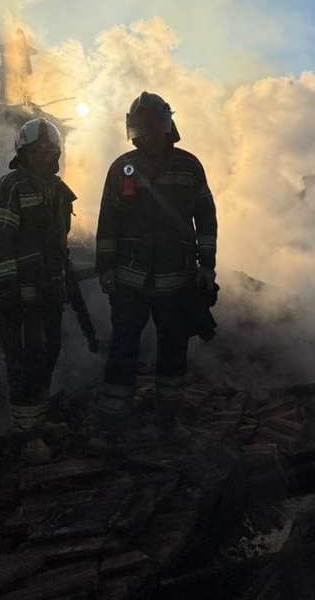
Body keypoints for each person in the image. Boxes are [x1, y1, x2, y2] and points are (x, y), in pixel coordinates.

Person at [94, 91, 218, 440]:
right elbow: (108, 220)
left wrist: (207, 265)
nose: (146, 138)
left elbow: (206, 216)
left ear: (167, 127)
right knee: (123, 347)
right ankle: (114, 420)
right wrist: (106, 268)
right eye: (140, 131)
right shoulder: (122, 168)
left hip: (176, 279)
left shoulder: (189, 166)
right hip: (129, 279)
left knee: (174, 349)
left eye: (151, 129)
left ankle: (167, 417)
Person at [0, 117, 76, 464]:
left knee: (48, 354)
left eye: (49, 151)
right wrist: (9, 290)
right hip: (19, 295)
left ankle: (39, 420)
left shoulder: (56, 189)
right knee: (24, 362)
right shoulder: (10, 187)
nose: (42, 157)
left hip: (48, 292)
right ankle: (26, 436)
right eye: (36, 151)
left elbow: (59, 243)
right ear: (22, 153)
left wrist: (61, 280)